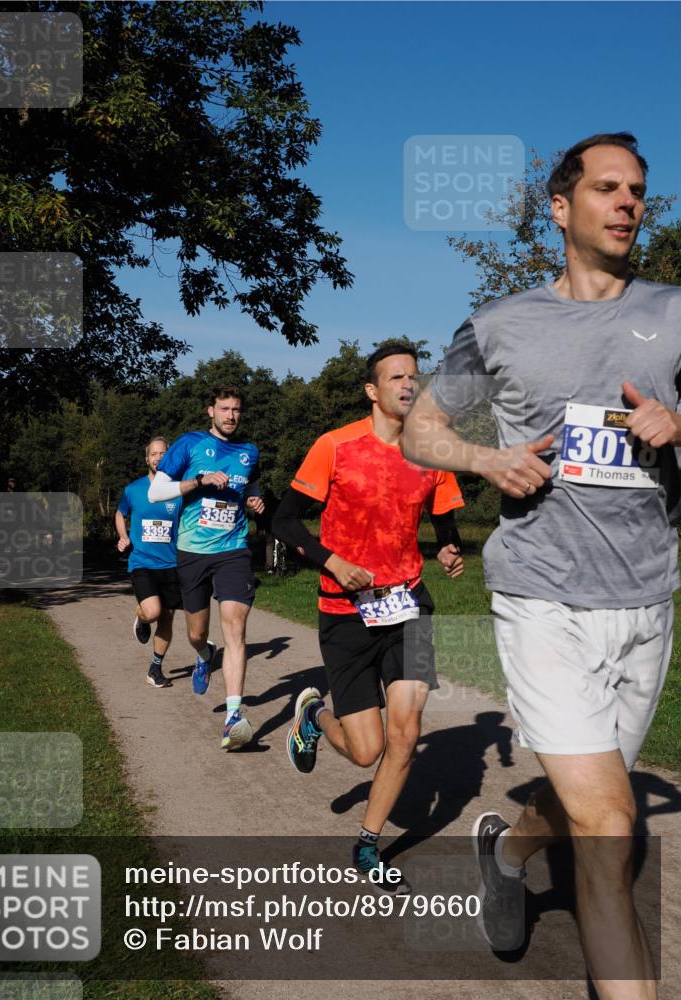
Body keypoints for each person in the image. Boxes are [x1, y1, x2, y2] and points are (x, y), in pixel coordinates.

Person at [402, 133, 679, 998]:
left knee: (585, 800)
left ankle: (509, 853)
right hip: (541, 594)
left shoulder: (675, 313)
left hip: (644, 598)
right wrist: (487, 461)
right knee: (608, 824)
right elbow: (421, 429)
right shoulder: (501, 325)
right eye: (607, 188)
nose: (629, 202)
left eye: (638, 189)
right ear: (561, 209)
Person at [273, 343, 465, 893]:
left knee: (406, 732)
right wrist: (332, 560)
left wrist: (449, 546)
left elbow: (444, 510)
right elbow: (284, 522)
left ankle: (367, 843)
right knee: (367, 752)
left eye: (415, 376)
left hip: (407, 604)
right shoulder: (335, 446)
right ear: (372, 390)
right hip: (345, 611)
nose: (409, 384)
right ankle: (314, 719)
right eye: (397, 377)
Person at [148, 386, 265, 749]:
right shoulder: (190, 444)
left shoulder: (250, 452)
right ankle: (203, 655)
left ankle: (233, 717)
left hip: (233, 550)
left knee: (236, 627)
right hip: (192, 551)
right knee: (197, 633)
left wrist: (256, 501)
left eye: (236, 410)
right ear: (210, 411)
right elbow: (156, 494)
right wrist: (199, 481)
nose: (231, 415)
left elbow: (252, 486)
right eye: (224, 409)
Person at [116, 436, 183, 689]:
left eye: (163, 453)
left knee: (167, 618)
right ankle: (142, 618)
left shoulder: (178, 490)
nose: (158, 458)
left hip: (171, 564)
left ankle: (155, 669)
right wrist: (123, 537)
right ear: (147, 459)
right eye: (154, 454)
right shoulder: (134, 489)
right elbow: (120, 514)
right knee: (153, 612)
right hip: (142, 562)